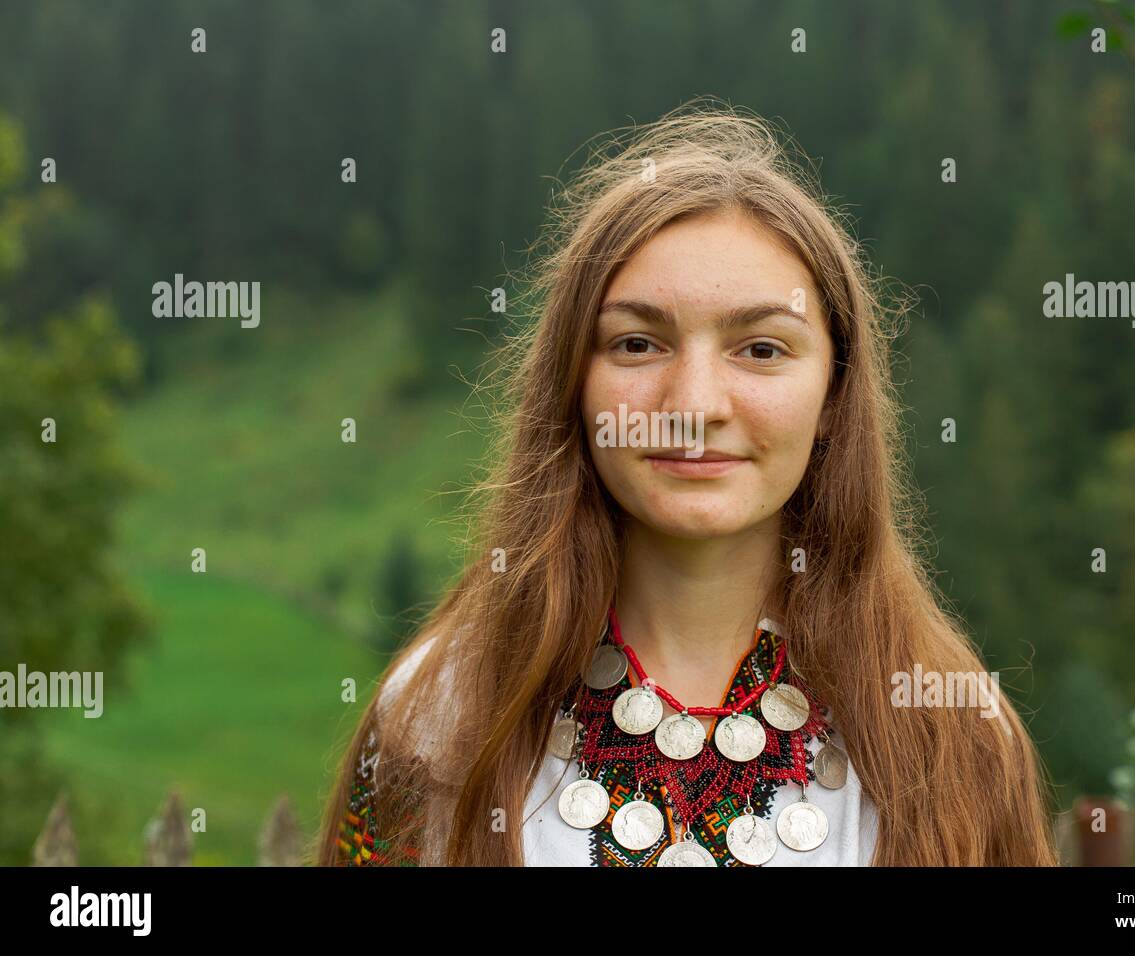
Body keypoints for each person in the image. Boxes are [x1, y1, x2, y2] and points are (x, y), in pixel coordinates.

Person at [317, 98, 1059, 867]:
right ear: (573, 383)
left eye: (762, 349)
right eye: (638, 344)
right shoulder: (435, 718)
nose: (694, 407)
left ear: (834, 396)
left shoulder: (951, 736)